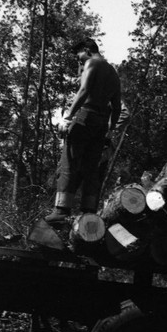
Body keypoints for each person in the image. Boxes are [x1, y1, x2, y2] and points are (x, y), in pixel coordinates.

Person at [46, 38, 122, 223]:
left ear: (87, 50)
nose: (79, 61)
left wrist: (67, 117)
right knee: (91, 170)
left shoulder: (92, 62)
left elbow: (84, 90)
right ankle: (89, 213)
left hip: (84, 118)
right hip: (101, 123)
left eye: (79, 56)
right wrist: (111, 131)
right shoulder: (113, 71)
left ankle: (61, 211)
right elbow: (117, 105)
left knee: (69, 164)